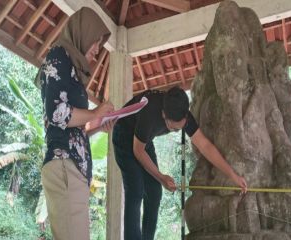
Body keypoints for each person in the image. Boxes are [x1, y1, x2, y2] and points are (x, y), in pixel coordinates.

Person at [112, 87, 248, 240]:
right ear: (164, 115)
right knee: (136, 190)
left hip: (145, 139)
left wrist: (233, 175)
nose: (177, 131)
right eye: (174, 128)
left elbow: (205, 146)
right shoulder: (150, 113)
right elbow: (138, 151)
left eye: (180, 128)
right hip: (124, 135)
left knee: (154, 192)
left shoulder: (182, 113)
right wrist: (161, 177)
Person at [35, 7, 114, 240]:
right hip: (64, 166)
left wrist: (99, 125)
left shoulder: (72, 69)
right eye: (95, 42)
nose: (97, 50)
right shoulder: (58, 56)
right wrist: (95, 112)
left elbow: (73, 129)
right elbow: (57, 114)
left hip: (73, 169)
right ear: (83, 33)